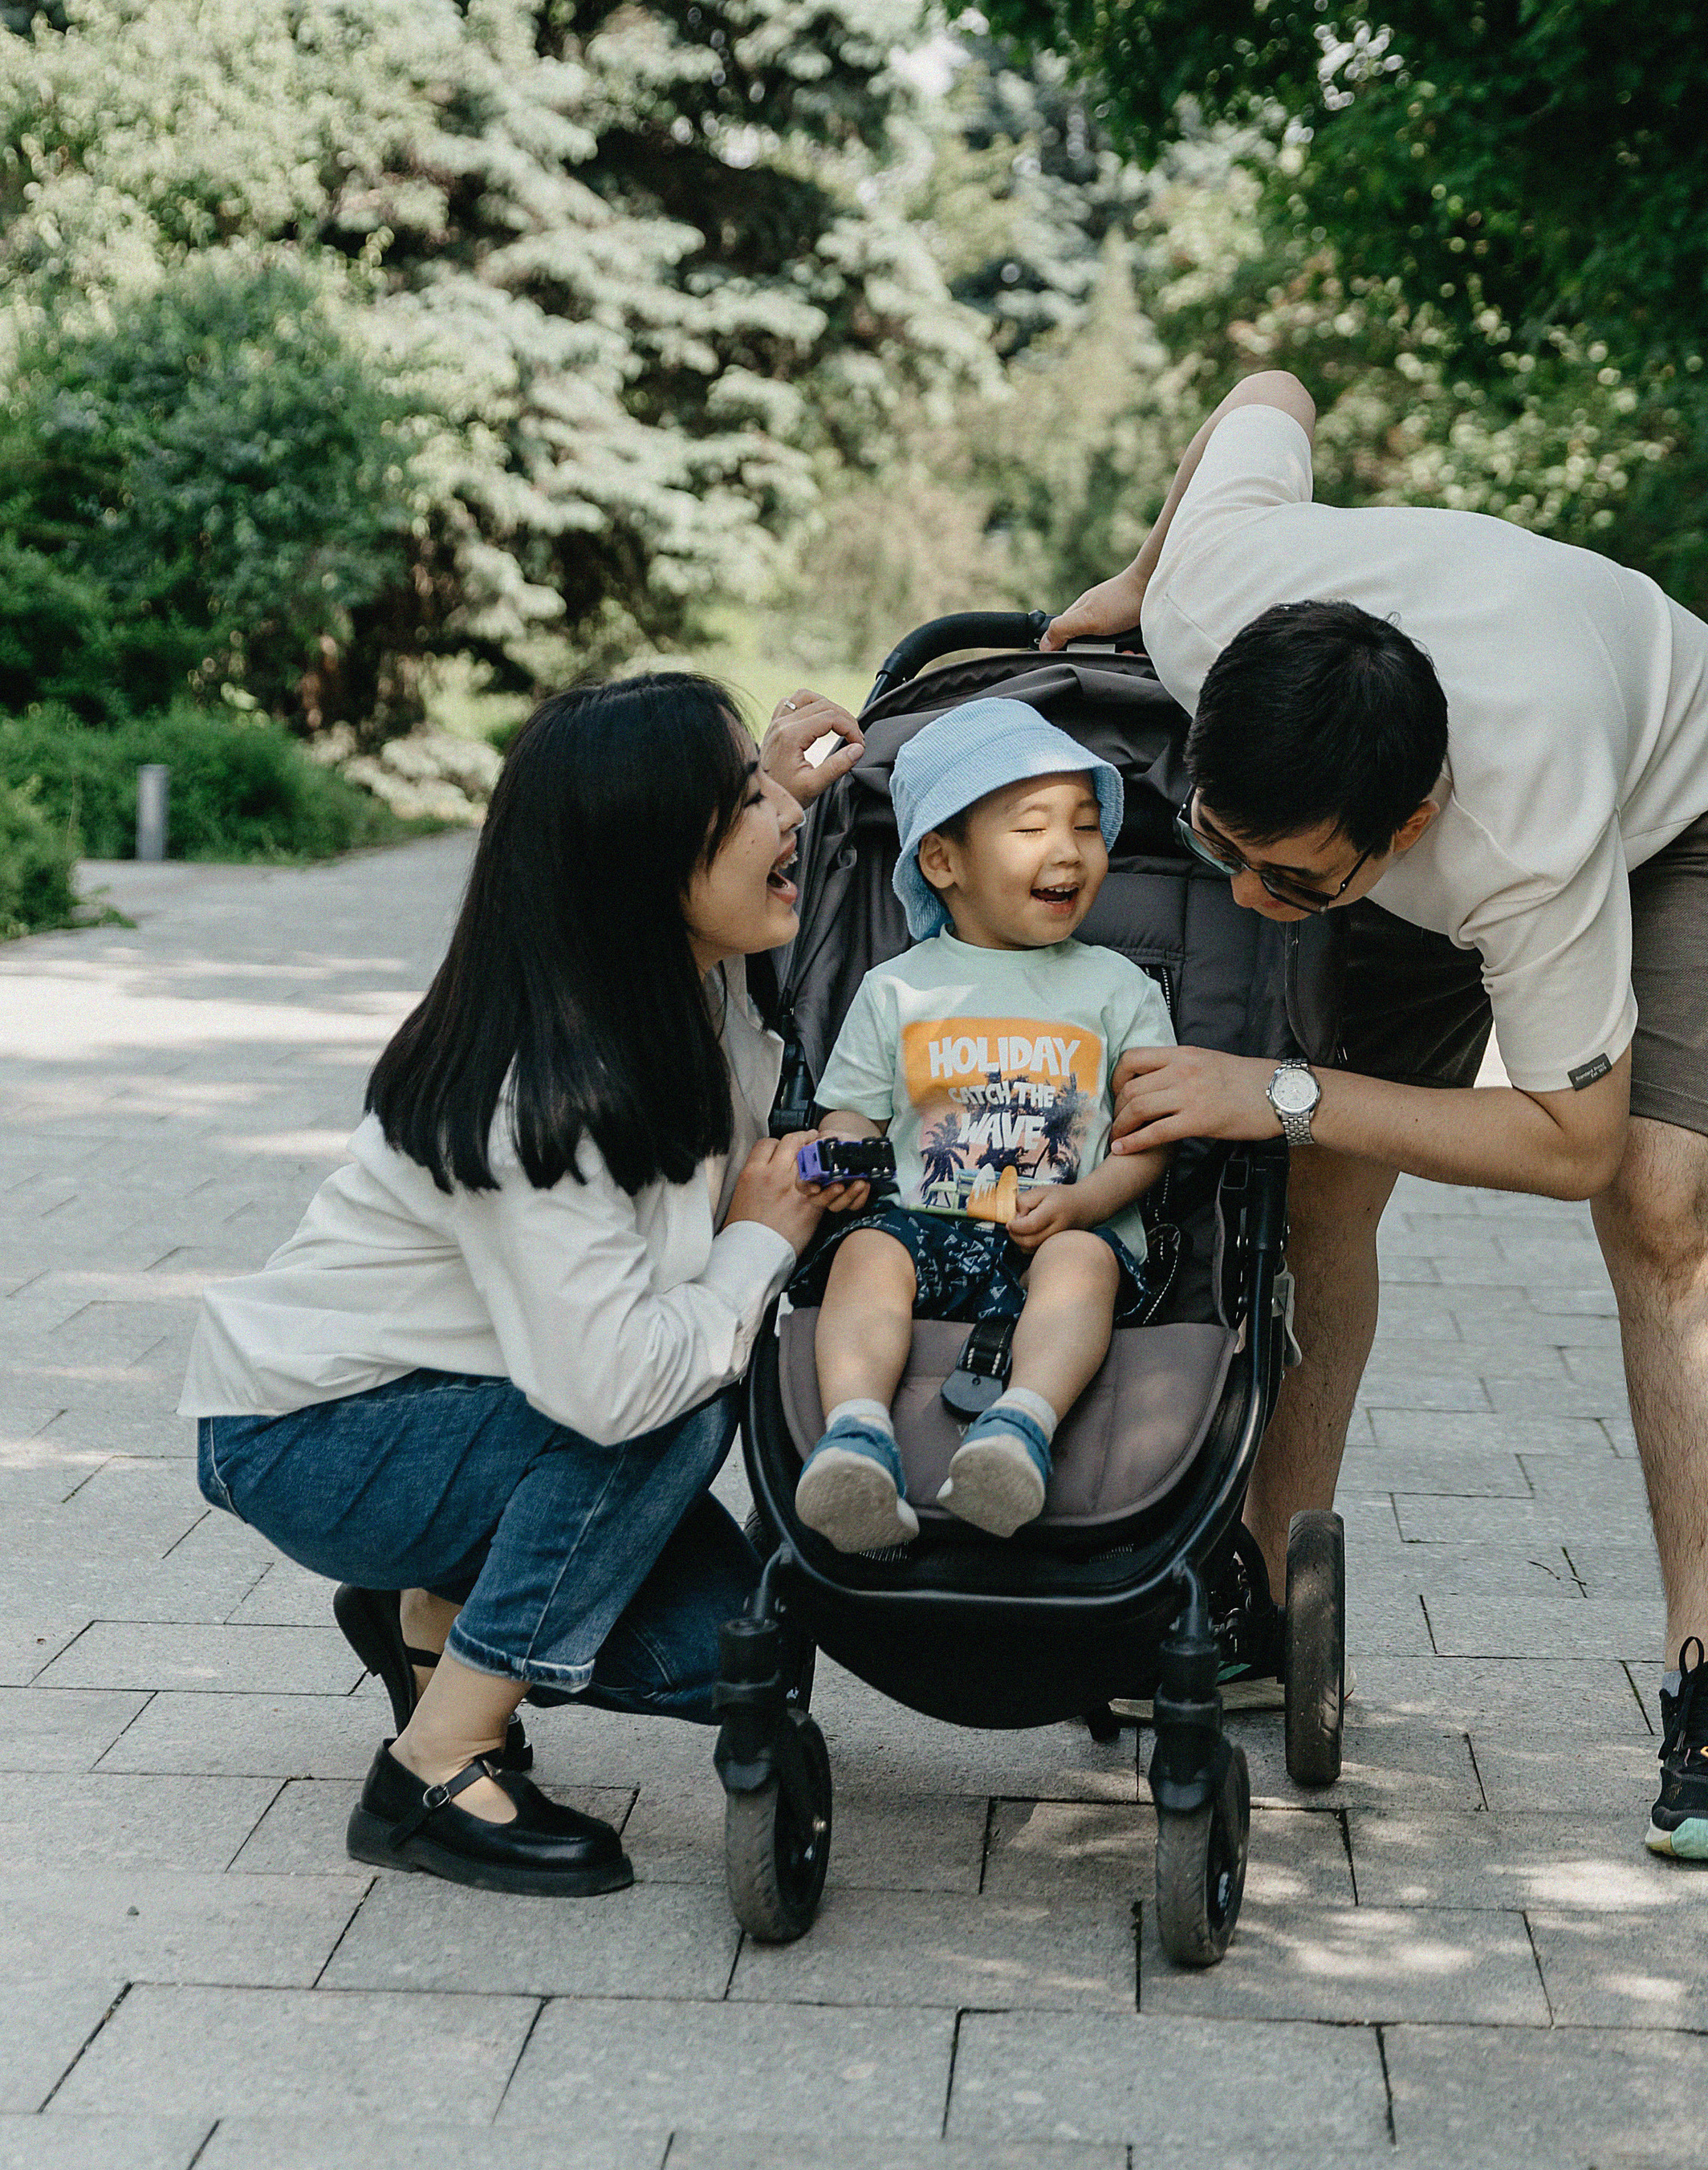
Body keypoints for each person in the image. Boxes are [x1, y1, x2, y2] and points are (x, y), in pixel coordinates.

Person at [1047, 373, 1708, 1864]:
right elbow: (1272, 390)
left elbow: (1566, 1139)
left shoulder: (1524, 828)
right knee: (1316, 1185)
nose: (1253, 904)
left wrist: (1282, 1089)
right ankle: (1260, 1598)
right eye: (1223, 850)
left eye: (1292, 887)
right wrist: (1141, 575)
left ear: (1412, 827)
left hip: (1672, 801)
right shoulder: (1213, 602)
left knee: (1655, 1197)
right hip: (1400, 762)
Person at [178, 672, 866, 1899]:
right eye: (748, 802)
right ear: (645, 860)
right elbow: (617, 1390)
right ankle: (431, 1769)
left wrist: (756, 787)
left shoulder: (658, 985)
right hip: (313, 1435)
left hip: (465, 1399)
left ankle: (431, 1619)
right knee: (671, 1396)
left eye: (769, 791)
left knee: (733, 1662)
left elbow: (683, 919)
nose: (788, 818)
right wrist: (762, 1239)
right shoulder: (542, 1093)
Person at [790, 698, 1175, 1550]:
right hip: (919, 1223)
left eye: (1085, 824)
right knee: (863, 1254)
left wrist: (1086, 1204)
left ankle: (1019, 1429)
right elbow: (850, 1108)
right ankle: (855, 1435)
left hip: (1060, 1228)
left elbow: (1150, 1140)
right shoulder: (898, 988)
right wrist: (842, 1157)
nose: (1068, 850)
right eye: (1031, 827)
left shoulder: (1119, 989)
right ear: (941, 860)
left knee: (1083, 1264)